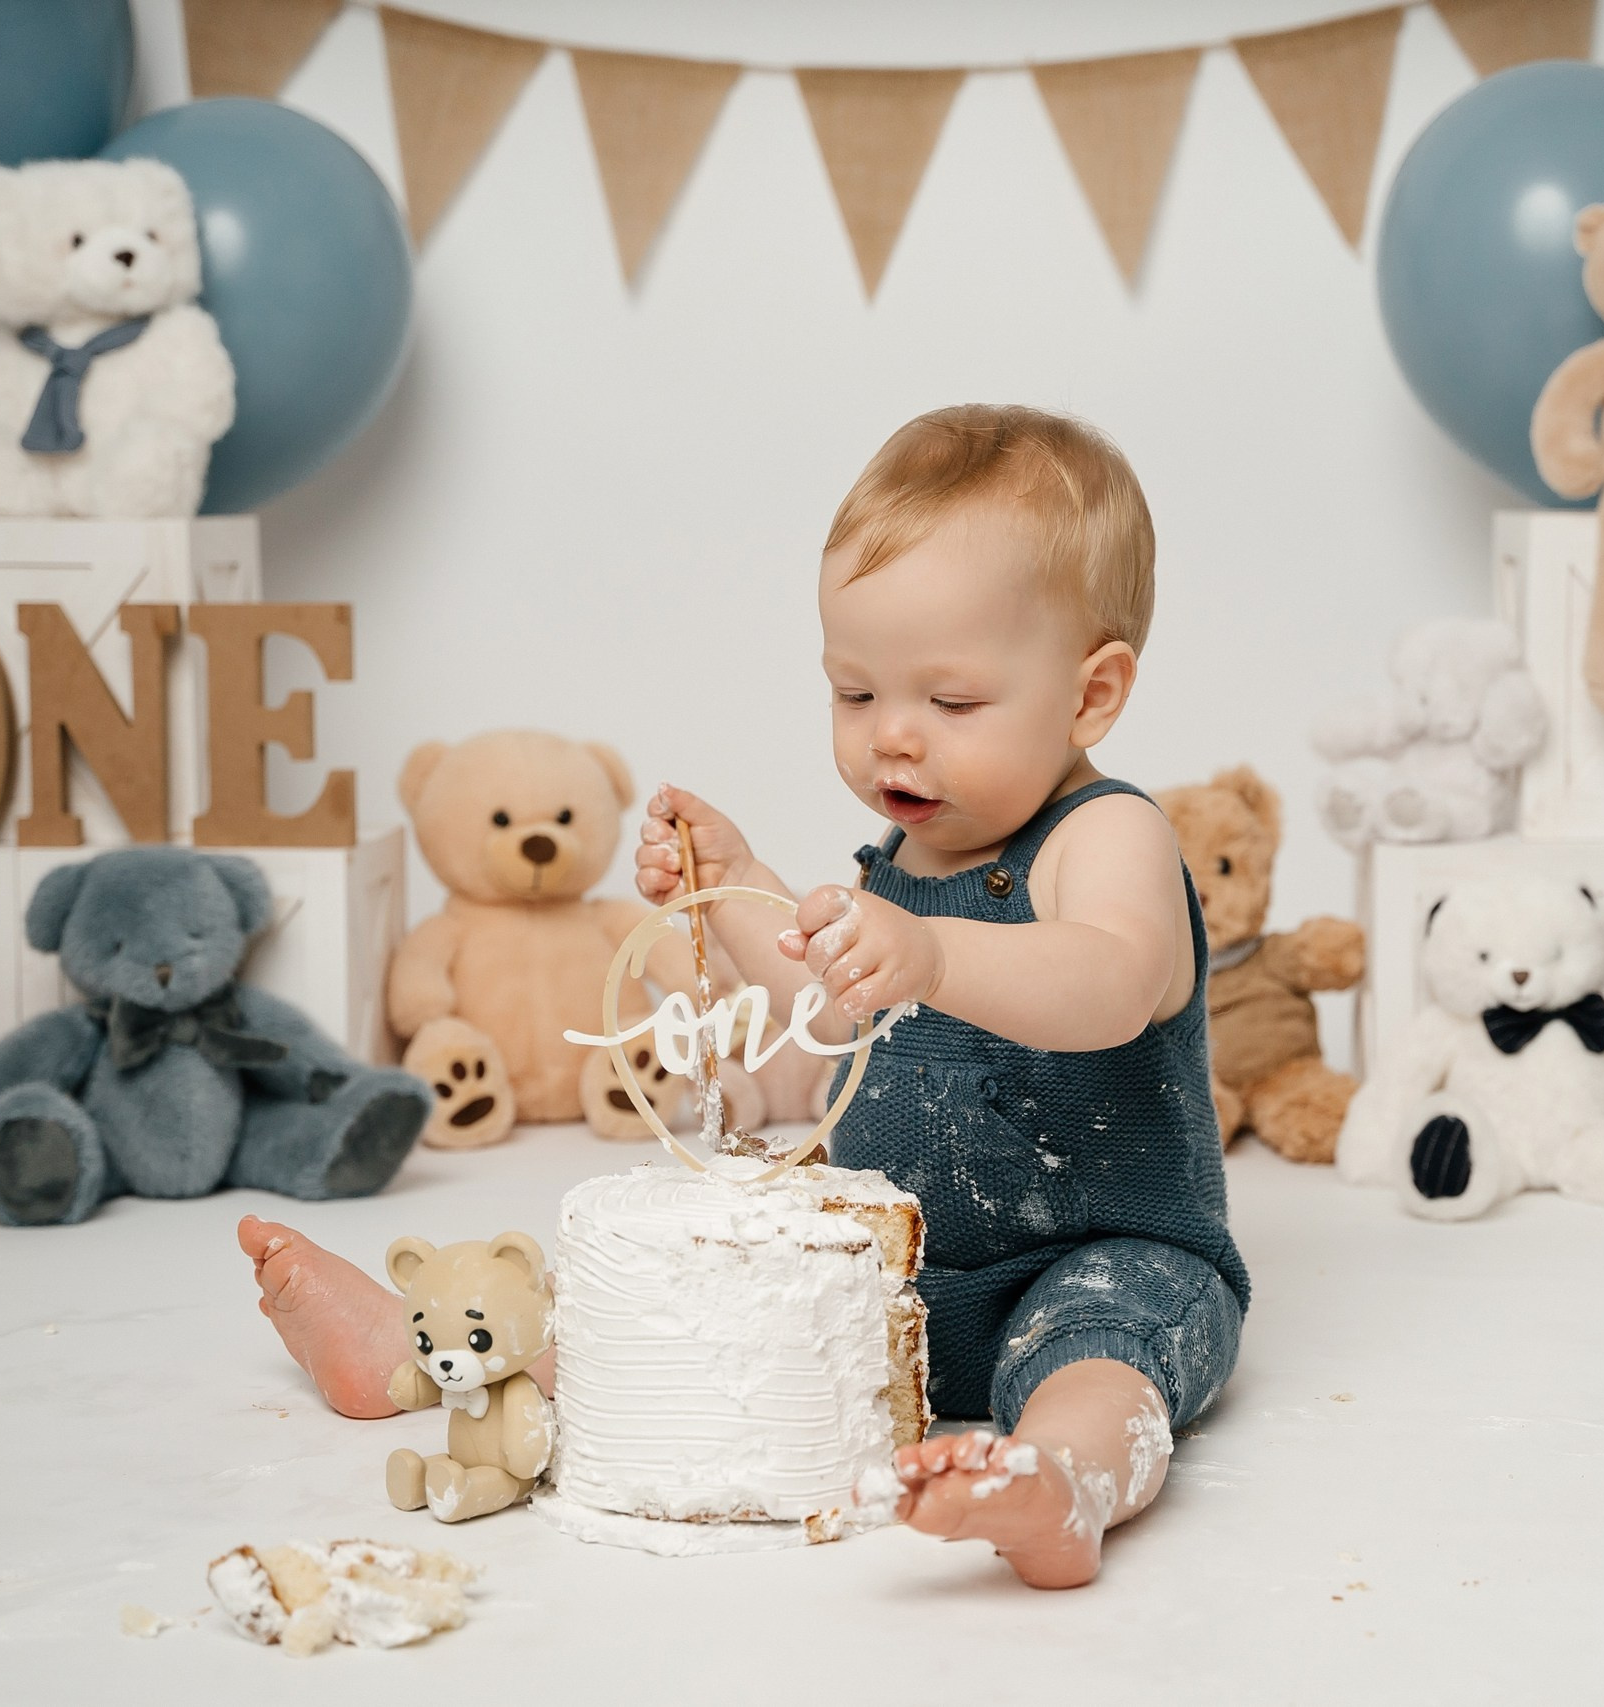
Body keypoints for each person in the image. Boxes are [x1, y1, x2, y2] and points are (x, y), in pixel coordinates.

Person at [241, 405, 1245, 1588]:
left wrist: (930, 957)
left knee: (1103, 1360)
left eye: (952, 703)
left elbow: (1111, 984)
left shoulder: (1105, 831)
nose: (893, 741)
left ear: (1091, 696)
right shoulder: (901, 866)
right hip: (895, 1271)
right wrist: (741, 892)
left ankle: (1061, 1480)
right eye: (855, 694)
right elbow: (831, 1010)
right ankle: (434, 1353)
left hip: (1098, 1254)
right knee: (692, 1319)